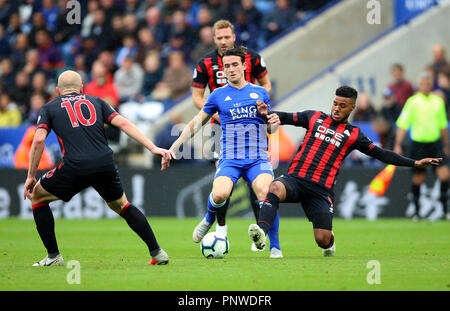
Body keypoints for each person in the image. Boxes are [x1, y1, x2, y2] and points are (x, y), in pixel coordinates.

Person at [248, 85, 443, 257]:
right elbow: (284, 117)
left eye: (342, 105)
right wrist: (267, 113)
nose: (337, 108)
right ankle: (261, 234)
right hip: (295, 180)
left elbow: (382, 154)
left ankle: (330, 241)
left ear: (352, 108)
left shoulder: (354, 134)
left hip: (321, 191)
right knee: (273, 188)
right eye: (335, 103)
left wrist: (414, 163)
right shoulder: (313, 117)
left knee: (322, 240)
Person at [23, 70, 174, 266]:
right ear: (82, 88)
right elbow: (124, 123)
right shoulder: (97, 101)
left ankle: (53, 256)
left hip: (74, 165)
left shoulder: (49, 107)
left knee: (38, 197)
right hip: (105, 162)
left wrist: (31, 176)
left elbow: (39, 140)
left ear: (58, 91)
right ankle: (158, 252)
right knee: (122, 205)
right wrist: (152, 147)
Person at [164, 47, 281, 258]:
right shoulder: (218, 95)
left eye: (235, 64)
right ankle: (209, 218)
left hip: (257, 157)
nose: (231, 69)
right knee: (219, 194)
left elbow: (272, 129)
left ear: (244, 66)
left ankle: (275, 248)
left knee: (266, 193)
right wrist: (173, 148)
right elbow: (195, 124)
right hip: (230, 158)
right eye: (227, 66)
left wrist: (267, 118)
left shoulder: (260, 92)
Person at [190, 19, 281, 257]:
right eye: (218, 38)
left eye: (226, 37)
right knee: (223, 187)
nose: (223, 41)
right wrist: (217, 111)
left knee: (258, 188)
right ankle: (221, 229)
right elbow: (197, 97)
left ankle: (260, 232)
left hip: (251, 127)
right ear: (213, 39)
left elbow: (266, 84)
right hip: (221, 128)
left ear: (233, 36)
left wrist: (253, 106)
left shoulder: (253, 57)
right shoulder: (205, 63)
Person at [394, 73, 449, 221]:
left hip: (435, 144)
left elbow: (443, 126)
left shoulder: (438, 102)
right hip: (418, 145)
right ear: (419, 86)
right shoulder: (412, 102)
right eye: (422, 84)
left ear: (431, 85)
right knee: (418, 179)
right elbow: (403, 125)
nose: (424, 86)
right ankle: (417, 212)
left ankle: (445, 210)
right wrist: (398, 144)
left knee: (445, 175)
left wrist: (446, 145)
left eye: (427, 83)